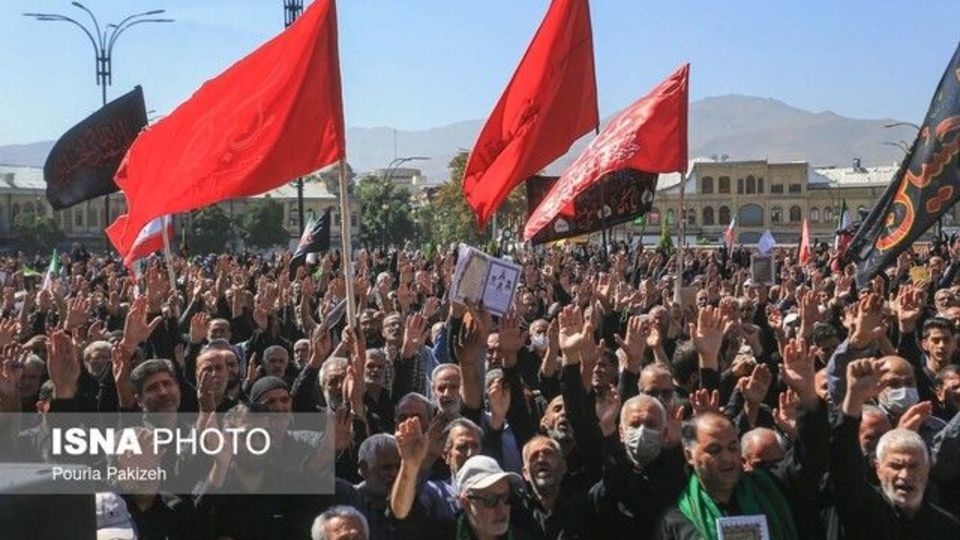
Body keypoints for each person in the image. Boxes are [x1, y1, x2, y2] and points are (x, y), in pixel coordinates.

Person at [832, 358, 960, 537]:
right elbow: (843, 461)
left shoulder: (948, 528)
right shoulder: (863, 512)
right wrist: (854, 396)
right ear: (878, 468)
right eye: (896, 466)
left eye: (914, 466)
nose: (905, 475)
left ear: (928, 467)